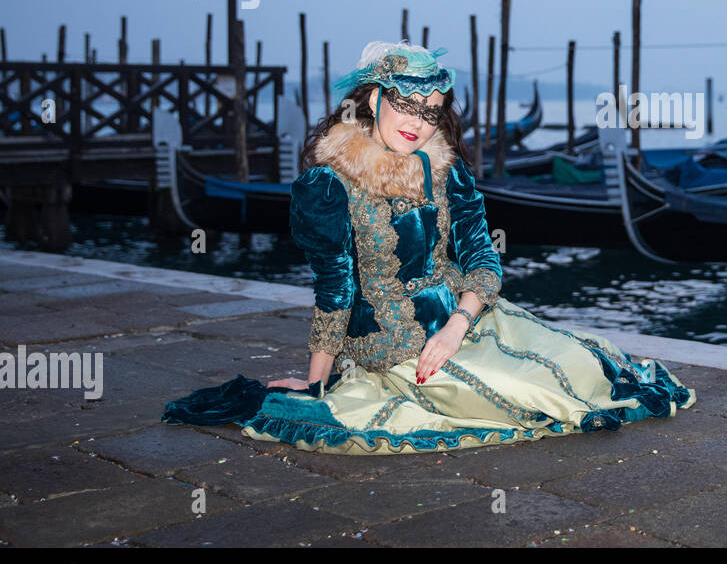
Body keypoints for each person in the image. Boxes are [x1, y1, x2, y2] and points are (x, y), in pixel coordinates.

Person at [162, 40, 695, 453]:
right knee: (537, 397)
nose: (419, 122)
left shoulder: (445, 170)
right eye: (407, 106)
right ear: (373, 99)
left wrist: (459, 323)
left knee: (584, 365)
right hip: (395, 351)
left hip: (469, 320)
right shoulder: (328, 185)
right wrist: (315, 382)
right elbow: (334, 290)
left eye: (431, 110)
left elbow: (482, 257)